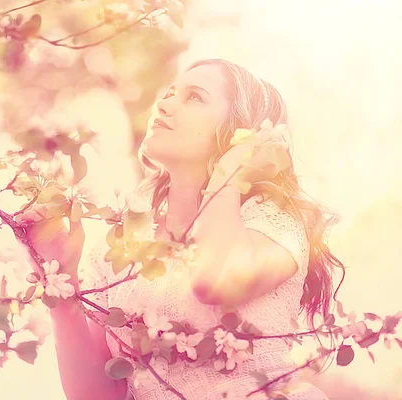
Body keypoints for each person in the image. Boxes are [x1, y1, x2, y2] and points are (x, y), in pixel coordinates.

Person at [22, 59, 344, 400]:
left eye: (194, 97)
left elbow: (215, 282)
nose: (163, 104)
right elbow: (97, 395)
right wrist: (61, 280)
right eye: (170, 93)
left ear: (239, 132)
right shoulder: (121, 250)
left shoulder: (273, 223)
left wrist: (232, 165)